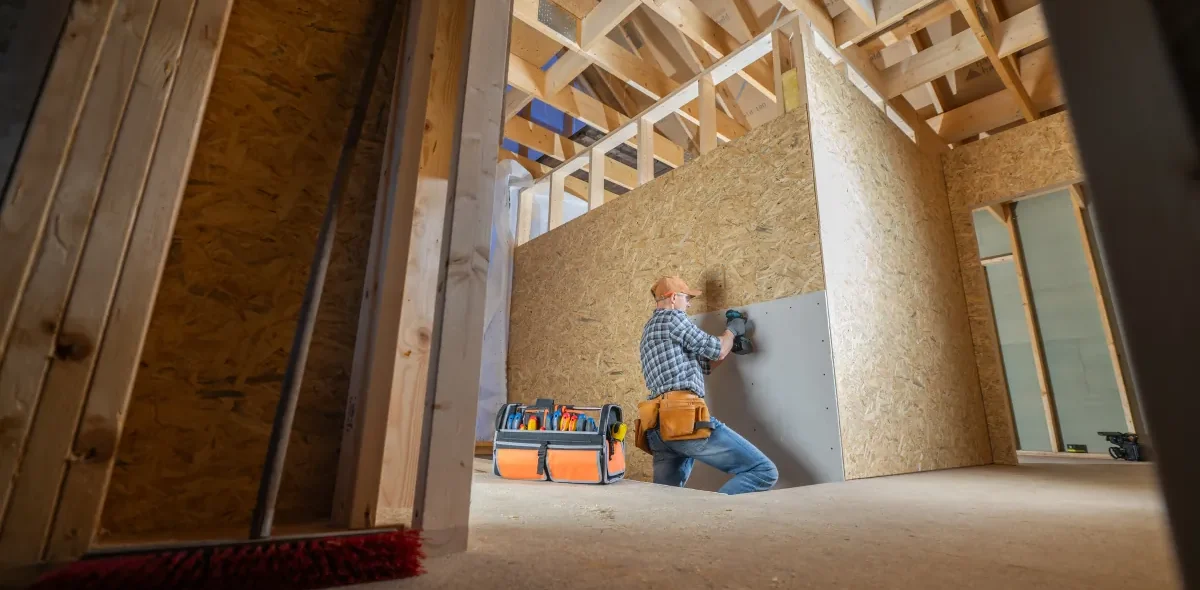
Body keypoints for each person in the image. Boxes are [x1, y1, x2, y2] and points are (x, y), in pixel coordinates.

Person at [638, 276, 778, 494]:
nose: (689, 304)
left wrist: (729, 344)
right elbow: (716, 349)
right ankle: (712, 516)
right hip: (684, 420)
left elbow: (706, 364)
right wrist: (731, 331)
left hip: (659, 427)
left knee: (666, 500)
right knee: (763, 471)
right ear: (674, 298)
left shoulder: (650, 329)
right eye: (687, 298)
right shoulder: (673, 318)